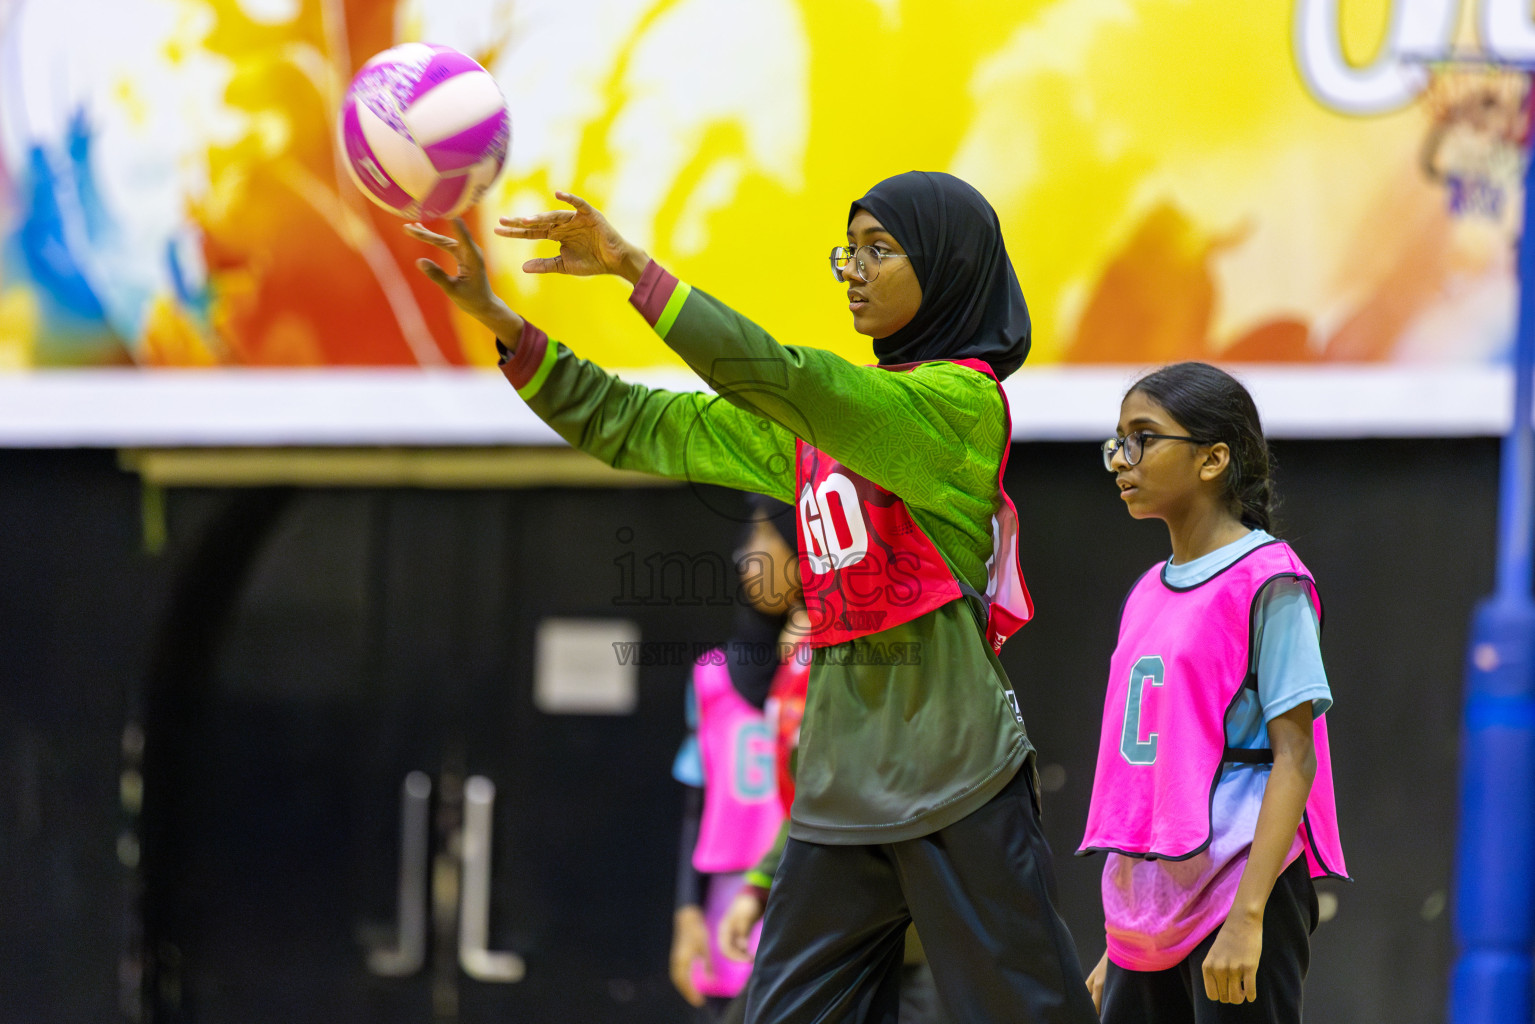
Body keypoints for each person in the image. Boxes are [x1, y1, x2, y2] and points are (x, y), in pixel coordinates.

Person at [407, 170, 1099, 1024]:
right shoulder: (820, 432)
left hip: (955, 778)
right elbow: (637, 424)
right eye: (848, 250)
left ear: (948, 268)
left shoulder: (957, 407)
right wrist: (499, 321)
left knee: (1030, 1013)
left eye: (880, 250)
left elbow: (784, 377)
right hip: (837, 793)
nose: (852, 269)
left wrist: (632, 269)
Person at [1080, 362, 1349, 1023]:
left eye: (1143, 437)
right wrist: (1121, 938)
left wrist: (1249, 916)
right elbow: (1152, 782)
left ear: (1212, 458)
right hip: (1144, 918)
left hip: (1237, 891)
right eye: (1118, 440)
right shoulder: (1146, 590)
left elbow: (1296, 758)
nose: (1121, 458)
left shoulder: (1270, 580)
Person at [669, 497, 798, 1021]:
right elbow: (696, 803)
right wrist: (687, 912)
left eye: (765, 536)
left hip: (802, 898)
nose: (746, 555)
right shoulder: (712, 676)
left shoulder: (839, 667)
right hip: (727, 908)